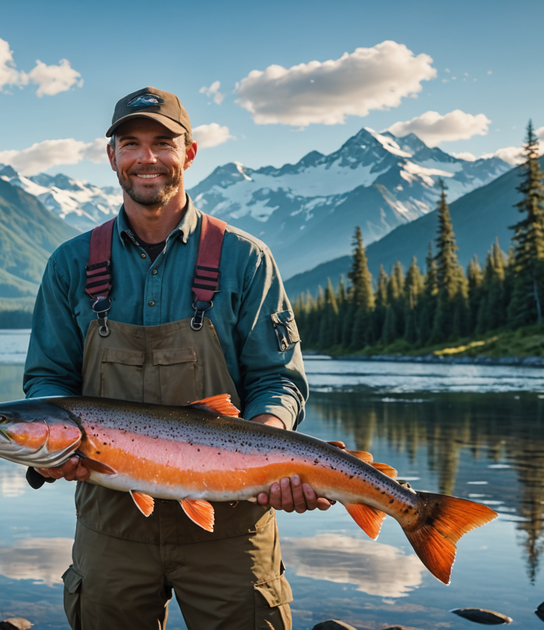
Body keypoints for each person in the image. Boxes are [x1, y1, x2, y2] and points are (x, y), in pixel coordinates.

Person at [22, 86, 328, 630]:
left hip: (232, 530)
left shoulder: (246, 259)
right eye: (131, 143)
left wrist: (269, 446)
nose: (147, 158)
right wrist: (50, 447)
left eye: (163, 142)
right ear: (111, 155)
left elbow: (278, 379)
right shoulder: (70, 263)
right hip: (110, 523)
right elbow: (48, 378)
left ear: (188, 153)